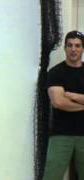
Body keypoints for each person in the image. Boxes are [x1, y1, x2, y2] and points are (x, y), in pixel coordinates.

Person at [43, 30, 84, 180]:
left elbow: (64, 100)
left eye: (78, 45)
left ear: (82, 48)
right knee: (51, 176)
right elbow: (58, 102)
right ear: (65, 48)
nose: (74, 49)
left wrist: (73, 96)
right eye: (70, 45)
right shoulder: (56, 72)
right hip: (61, 134)